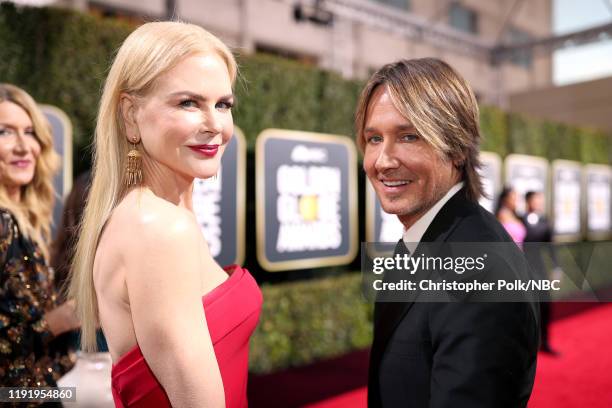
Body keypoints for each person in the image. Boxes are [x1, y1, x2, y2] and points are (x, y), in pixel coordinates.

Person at [69, 22, 262, 408]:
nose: (215, 125)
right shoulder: (157, 227)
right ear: (130, 115)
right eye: (188, 103)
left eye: (223, 104)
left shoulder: (160, 216)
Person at [355, 59, 539, 407]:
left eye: (408, 136)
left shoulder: (480, 271)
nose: (382, 160)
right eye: (374, 138)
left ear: (456, 148)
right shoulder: (420, 243)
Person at [0, 83, 79, 389]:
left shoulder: (23, 219)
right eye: (4, 132)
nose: (23, 146)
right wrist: (66, 317)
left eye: (29, 131)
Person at [522, 190, 560, 355]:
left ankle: (544, 341)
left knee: (545, 303)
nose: (538, 203)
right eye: (535, 200)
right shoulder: (519, 220)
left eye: (540, 200)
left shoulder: (545, 222)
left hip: (539, 267)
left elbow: (551, 247)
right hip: (522, 267)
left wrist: (557, 267)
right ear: (528, 201)